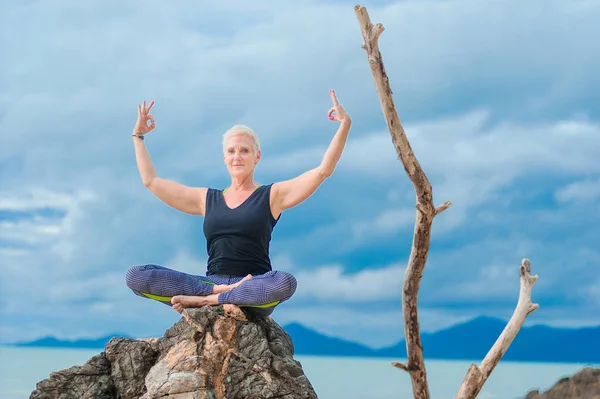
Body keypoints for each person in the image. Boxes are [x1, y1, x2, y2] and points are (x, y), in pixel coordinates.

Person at [125, 90, 351, 317]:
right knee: (136, 275)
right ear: (224, 158)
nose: (237, 157)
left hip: (253, 286)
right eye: (231, 151)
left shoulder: (272, 195)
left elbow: (323, 171)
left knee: (284, 282)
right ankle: (212, 293)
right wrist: (138, 136)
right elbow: (151, 181)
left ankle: (208, 301)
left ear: (257, 156)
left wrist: (344, 125)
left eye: (244, 150)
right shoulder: (207, 199)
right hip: (209, 282)